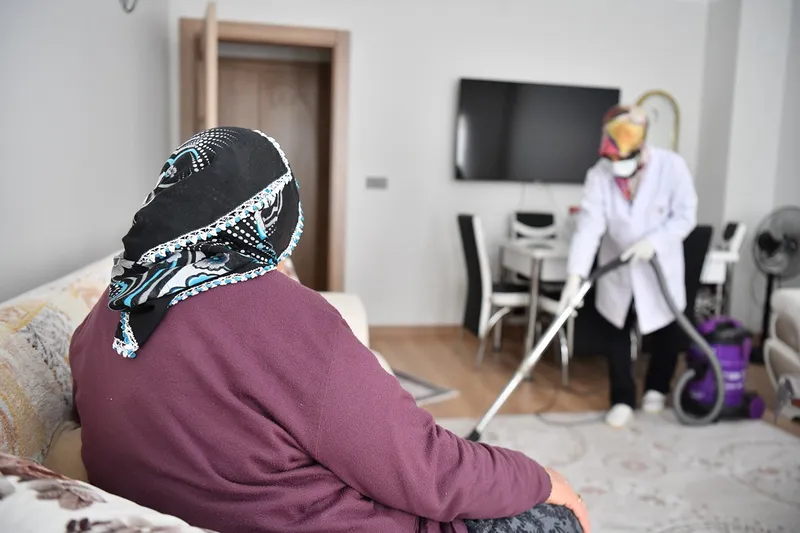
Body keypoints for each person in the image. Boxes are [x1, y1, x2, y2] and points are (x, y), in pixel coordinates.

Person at [70, 127, 589, 533]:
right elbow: (428, 470)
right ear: (270, 212)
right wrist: (541, 479)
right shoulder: (279, 314)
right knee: (558, 518)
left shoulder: (113, 307)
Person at [558, 105, 698, 428]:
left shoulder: (671, 166)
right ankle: (622, 398)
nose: (618, 165)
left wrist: (655, 242)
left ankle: (657, 389)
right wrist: (575, 277)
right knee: (616, 331)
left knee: (667, 328)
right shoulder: (599, 174)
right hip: (618, 266)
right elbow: (589, 227)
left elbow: (686, 214)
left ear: (641, 147)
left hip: (658, 263)